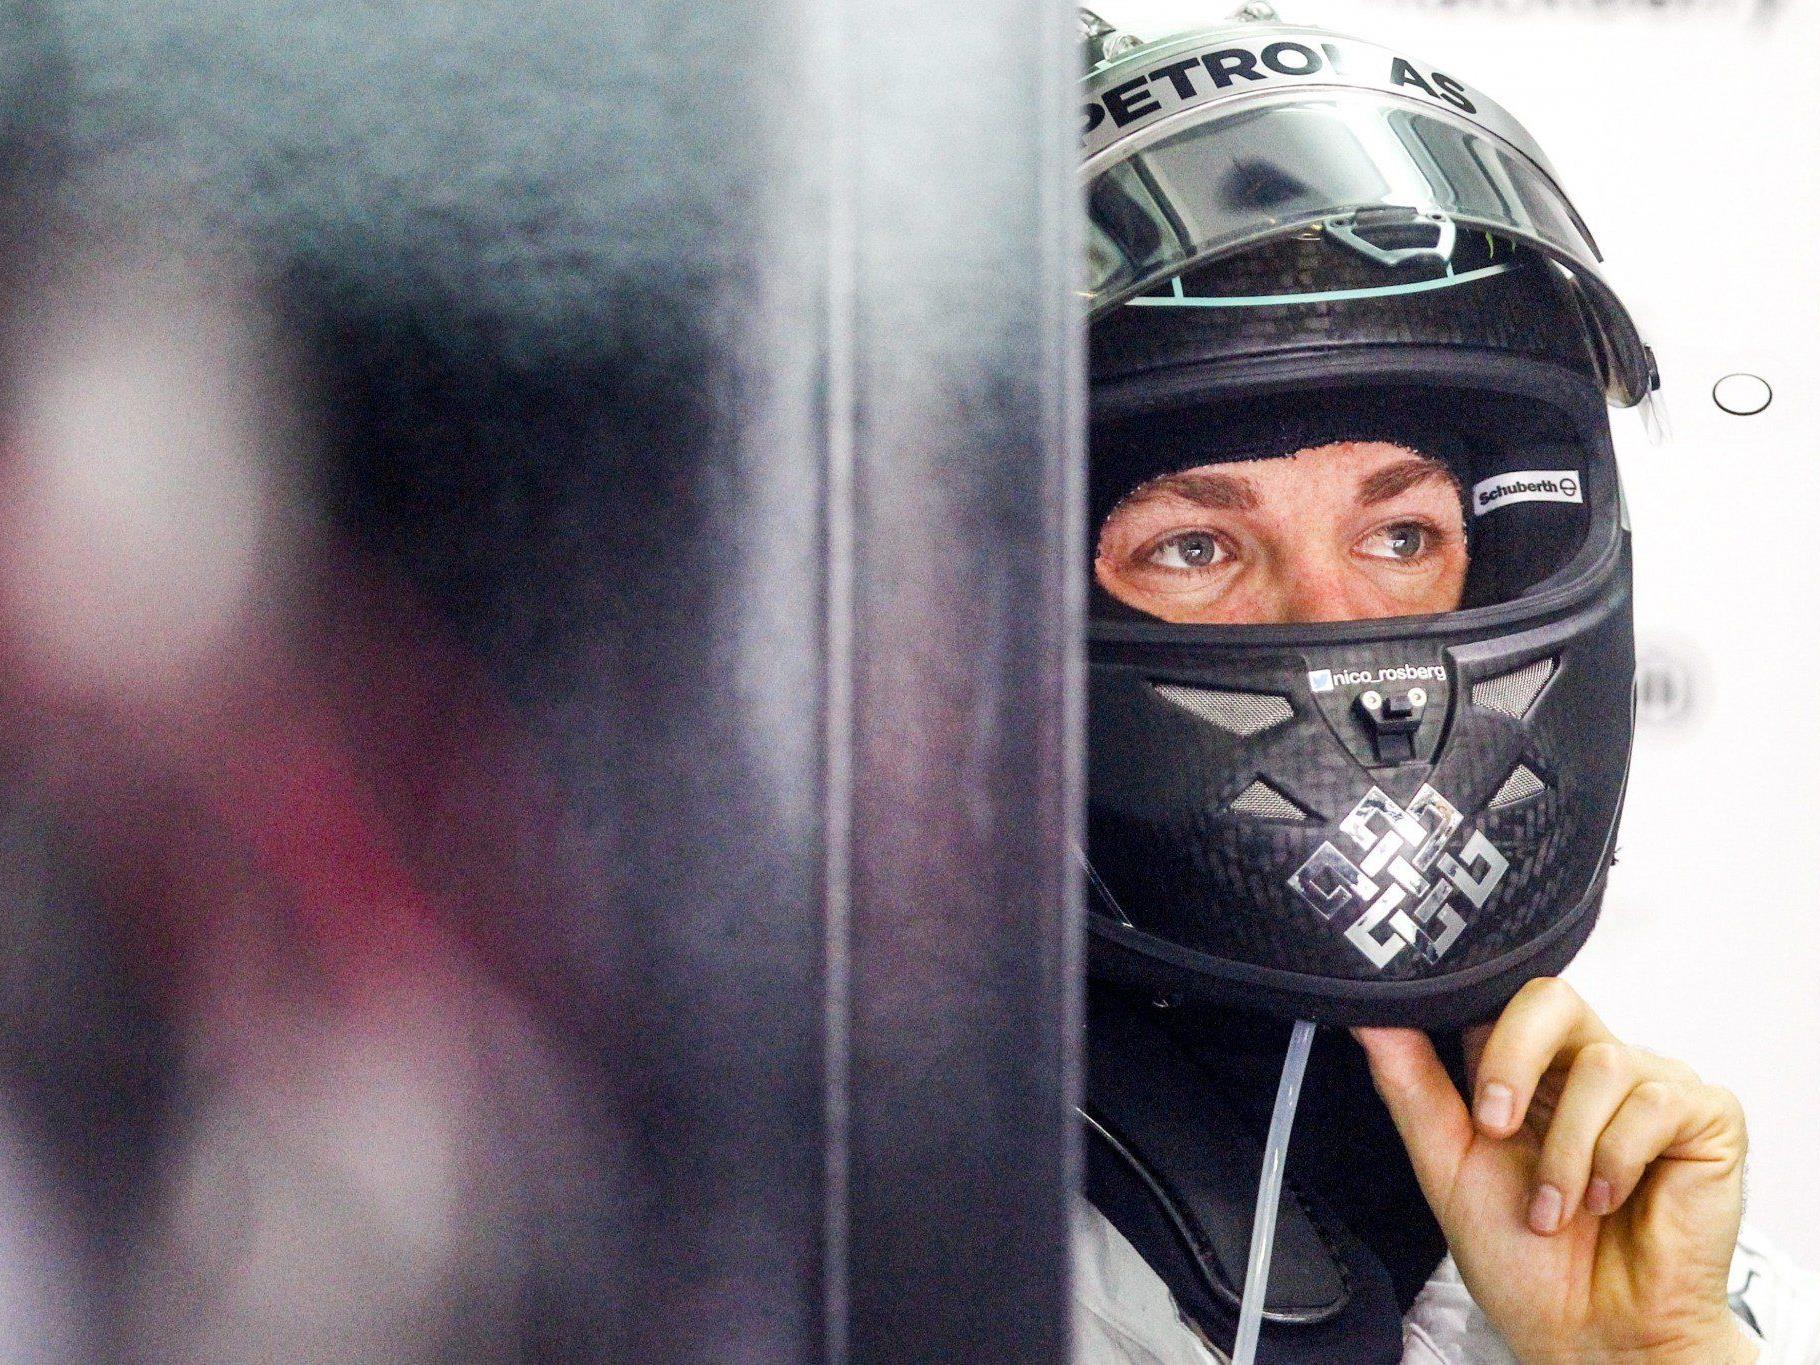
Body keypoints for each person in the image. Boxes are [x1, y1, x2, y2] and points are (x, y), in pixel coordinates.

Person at [1072, 8, 1820, 1363]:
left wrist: (1645, 1356)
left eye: (1401, 535)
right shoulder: (852, 1233)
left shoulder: (1613, 1215)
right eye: (1197, 545)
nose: (1339, 626)